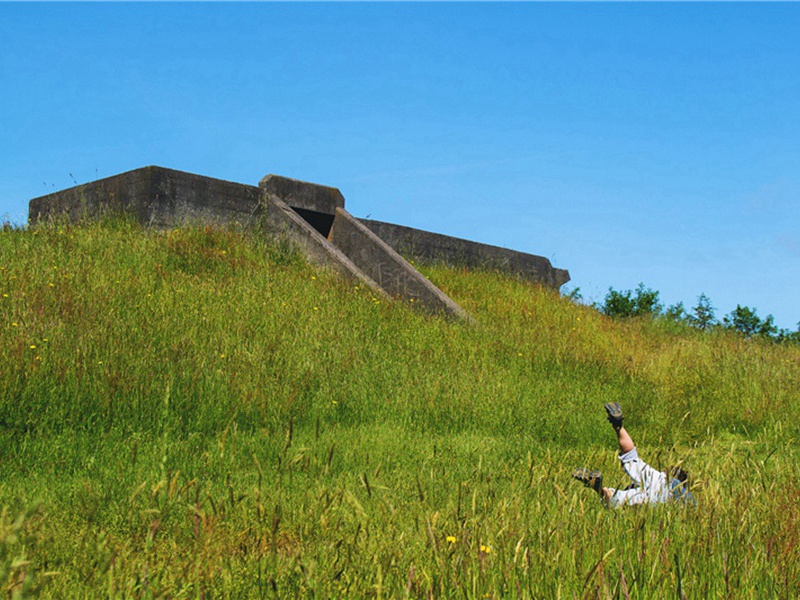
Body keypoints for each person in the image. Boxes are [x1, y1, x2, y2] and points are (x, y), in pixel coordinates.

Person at [572, 402, 695, 507]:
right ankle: (599, 489)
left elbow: (630, 455)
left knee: (631, 458)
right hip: (662, 499)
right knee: (616, 500)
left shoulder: (659, 476)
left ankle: (618, 426)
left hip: (656, 484)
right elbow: (690, 507)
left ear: (668, 472)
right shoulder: (678, 488)